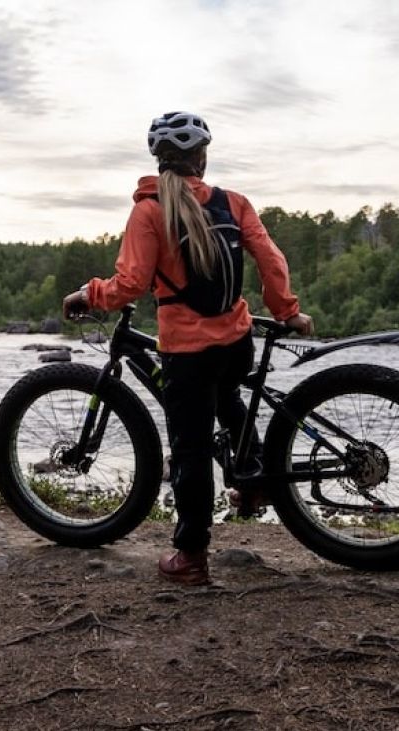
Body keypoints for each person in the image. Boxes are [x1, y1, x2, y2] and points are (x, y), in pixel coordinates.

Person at [62, 111, 313, 585]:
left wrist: (88, 294)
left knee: (190, 446)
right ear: (202, 157)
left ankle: (191, 556)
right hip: (235, 341)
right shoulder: (233, 203)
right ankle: (253, 483)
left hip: (187, 350)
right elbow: (270, 260)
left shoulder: (149, 210)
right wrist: (287, 312)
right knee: (230, 398)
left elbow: (130, 285)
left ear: (160, 161)